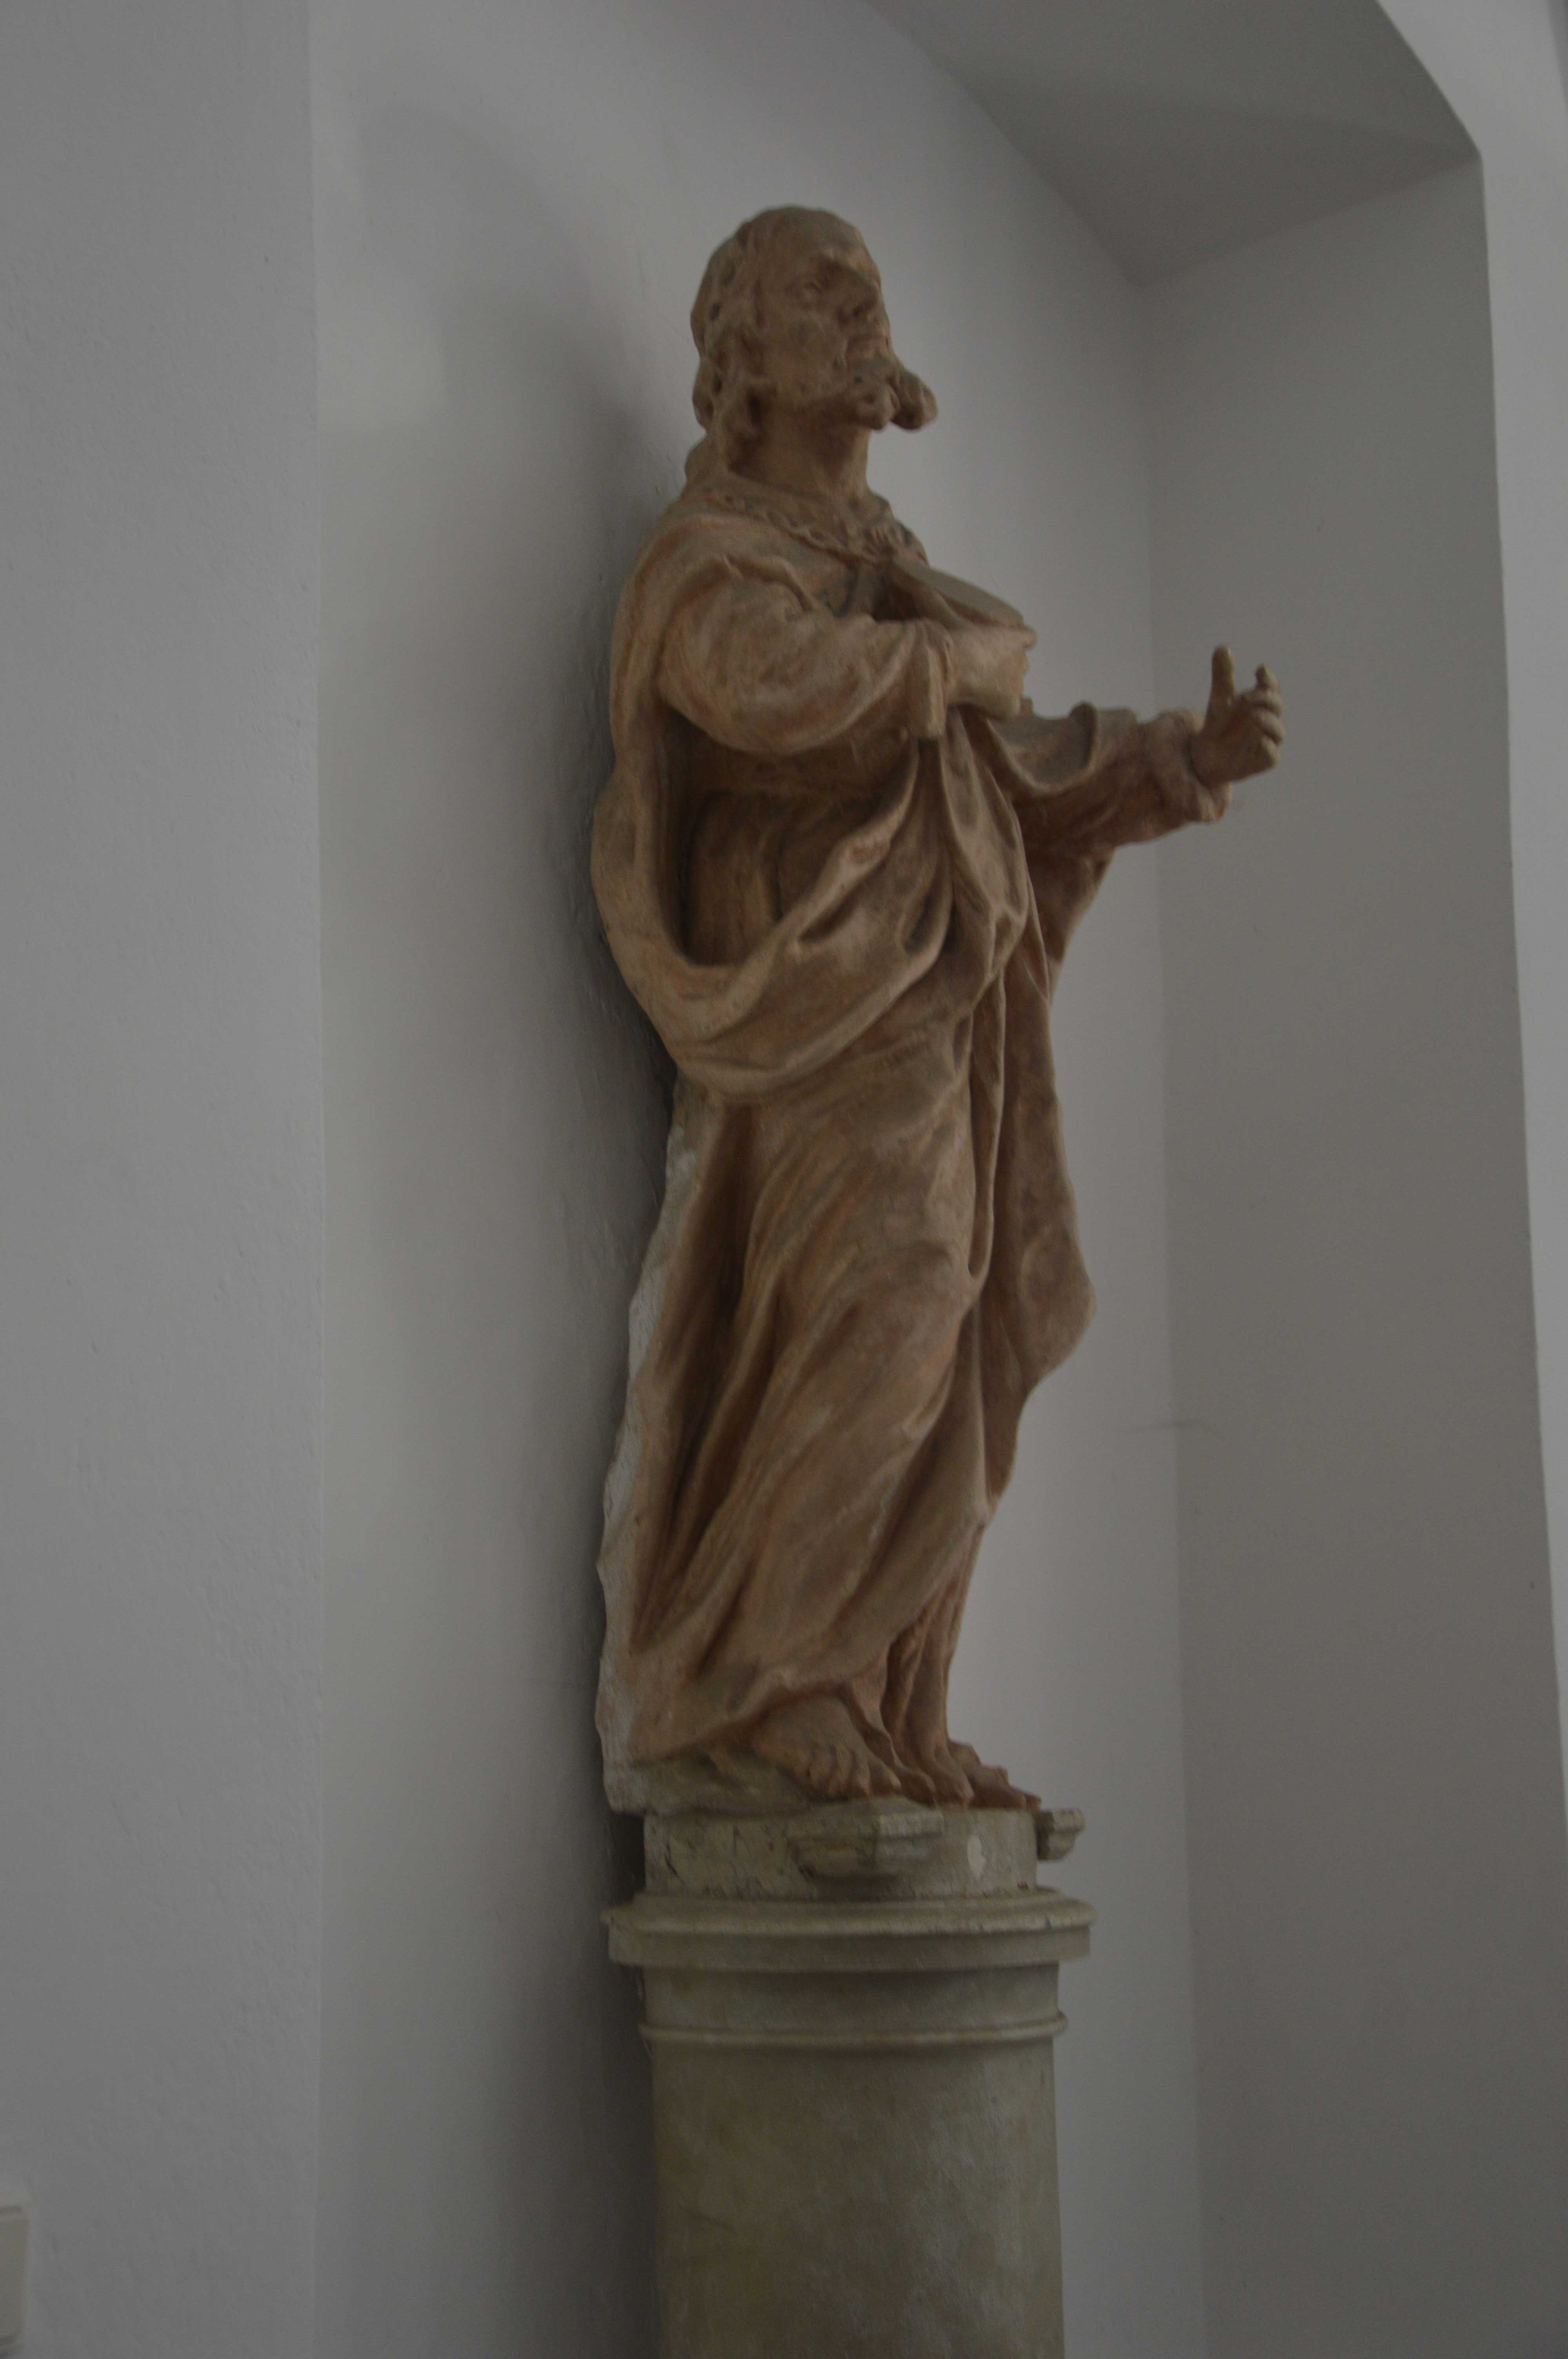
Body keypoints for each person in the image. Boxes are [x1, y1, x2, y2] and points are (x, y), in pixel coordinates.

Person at [592, 207, 1282, 1809]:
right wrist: (948, 671)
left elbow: (1015, 769)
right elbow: (760, 686)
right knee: (880, 1298)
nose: (861, 321)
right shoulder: (713, 556)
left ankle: (887, 1702)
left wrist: (1174, 761)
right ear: (738, 360)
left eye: (870, 298)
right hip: (823, 982)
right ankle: (773, 1680)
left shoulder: (897, 576)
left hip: (945, 989)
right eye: (819, 298)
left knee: (969, 1317)